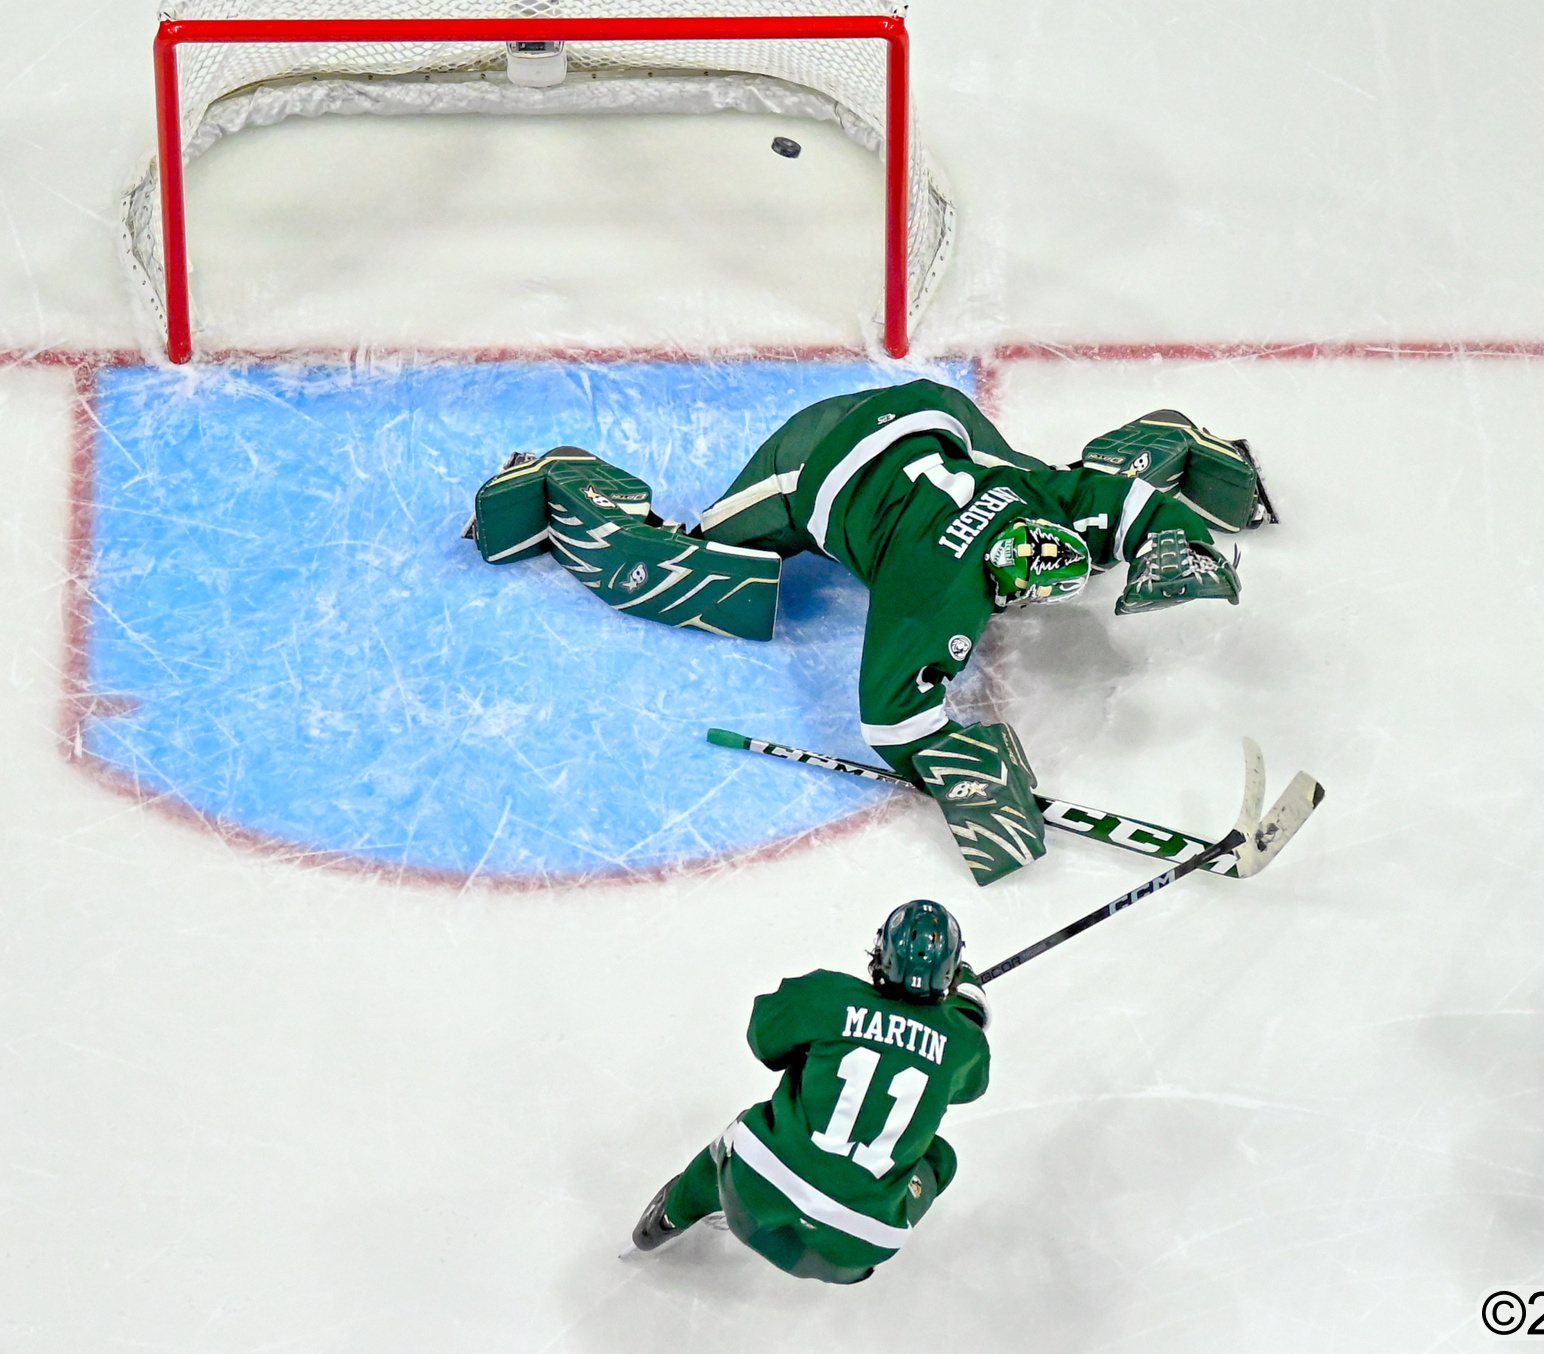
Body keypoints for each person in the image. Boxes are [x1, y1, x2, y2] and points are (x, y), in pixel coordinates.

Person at [466, 380, 1272, 884]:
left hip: (935, 416)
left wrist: (1168, 545)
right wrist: (962, 767)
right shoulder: (933, 590)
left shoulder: (1049, 506)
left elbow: (1123, 508)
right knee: (698, 571)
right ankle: (557, 481)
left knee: (1065, 490)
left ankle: (1176, 438)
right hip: (816, 457)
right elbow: (891, 719)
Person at [629, 900, 991, 1283]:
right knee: (939, 1156)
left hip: (751, 1197)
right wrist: (963, 1014)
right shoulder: (966, 1045)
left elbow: (765, 1042)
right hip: (852, 1251)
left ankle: (670, 1216)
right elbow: (969, 1085)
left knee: (748, 1130)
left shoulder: (827, 994)